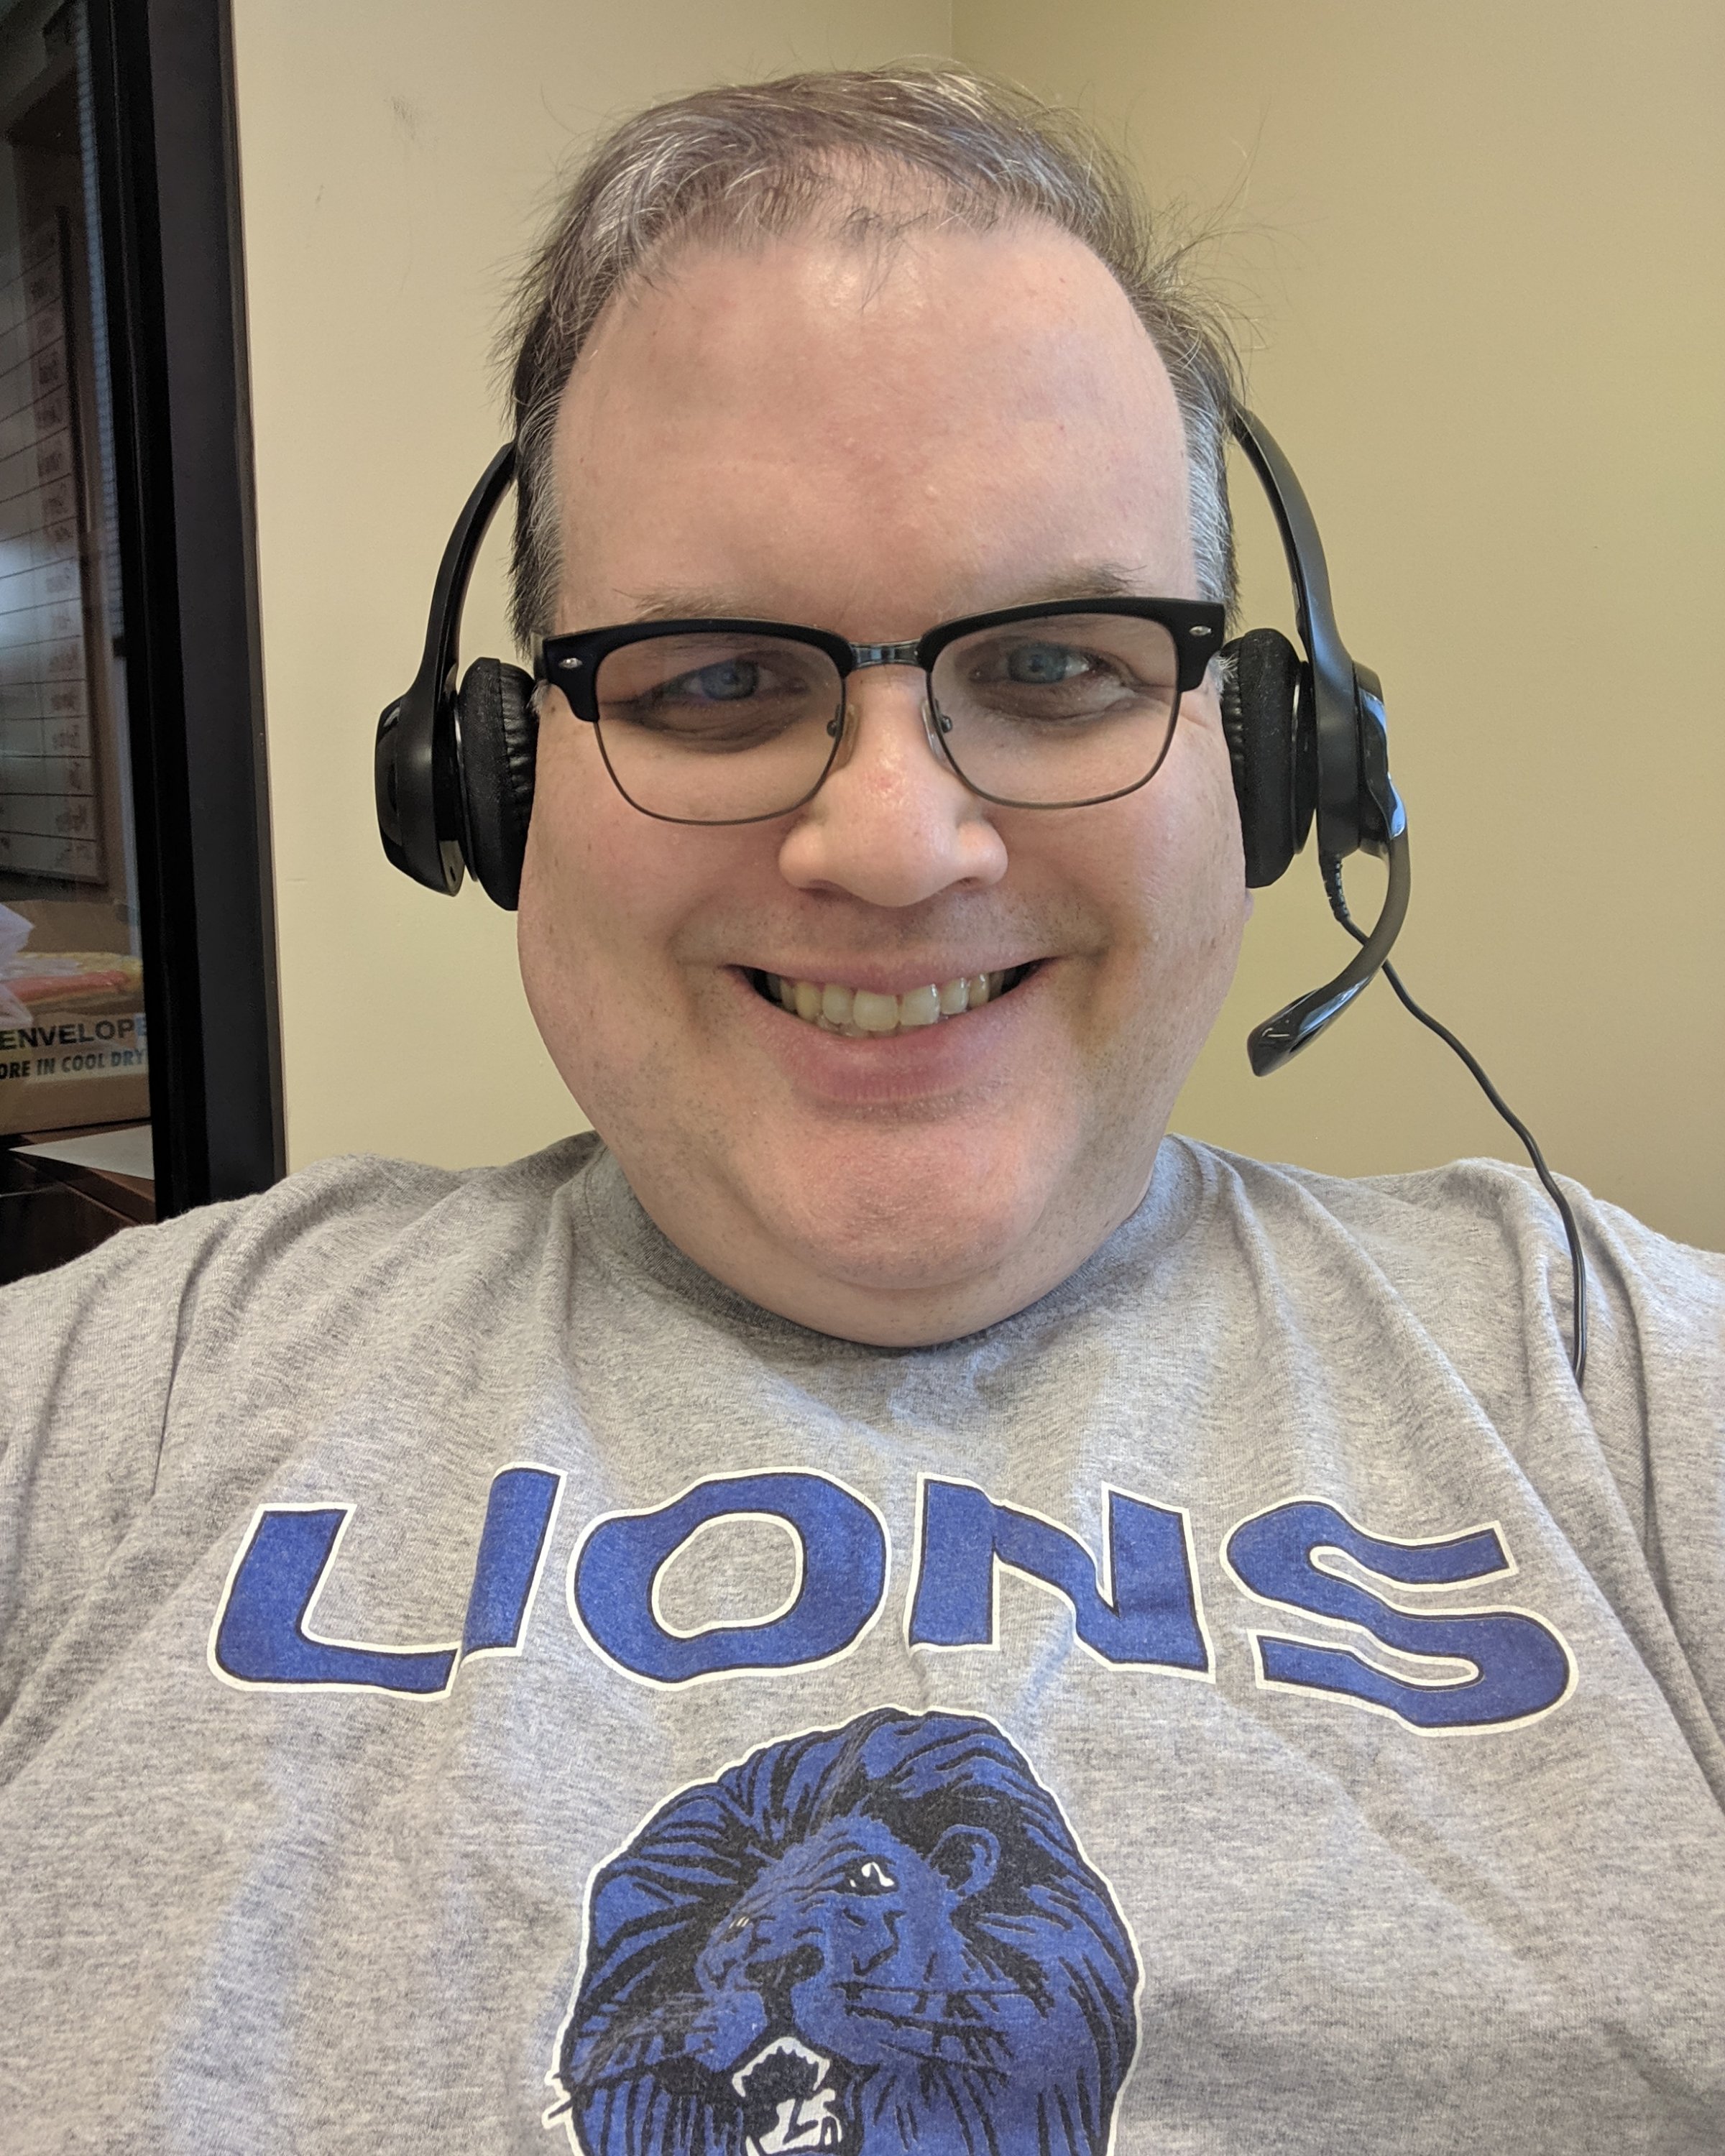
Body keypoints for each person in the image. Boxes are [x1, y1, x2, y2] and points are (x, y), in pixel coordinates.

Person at [2, 64, 1721, 2156]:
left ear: (1275, 766)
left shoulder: (1626, 1403)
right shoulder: (102, 1417)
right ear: (488, 787)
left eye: (1061, 664)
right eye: (718, 678)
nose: (898, 846)